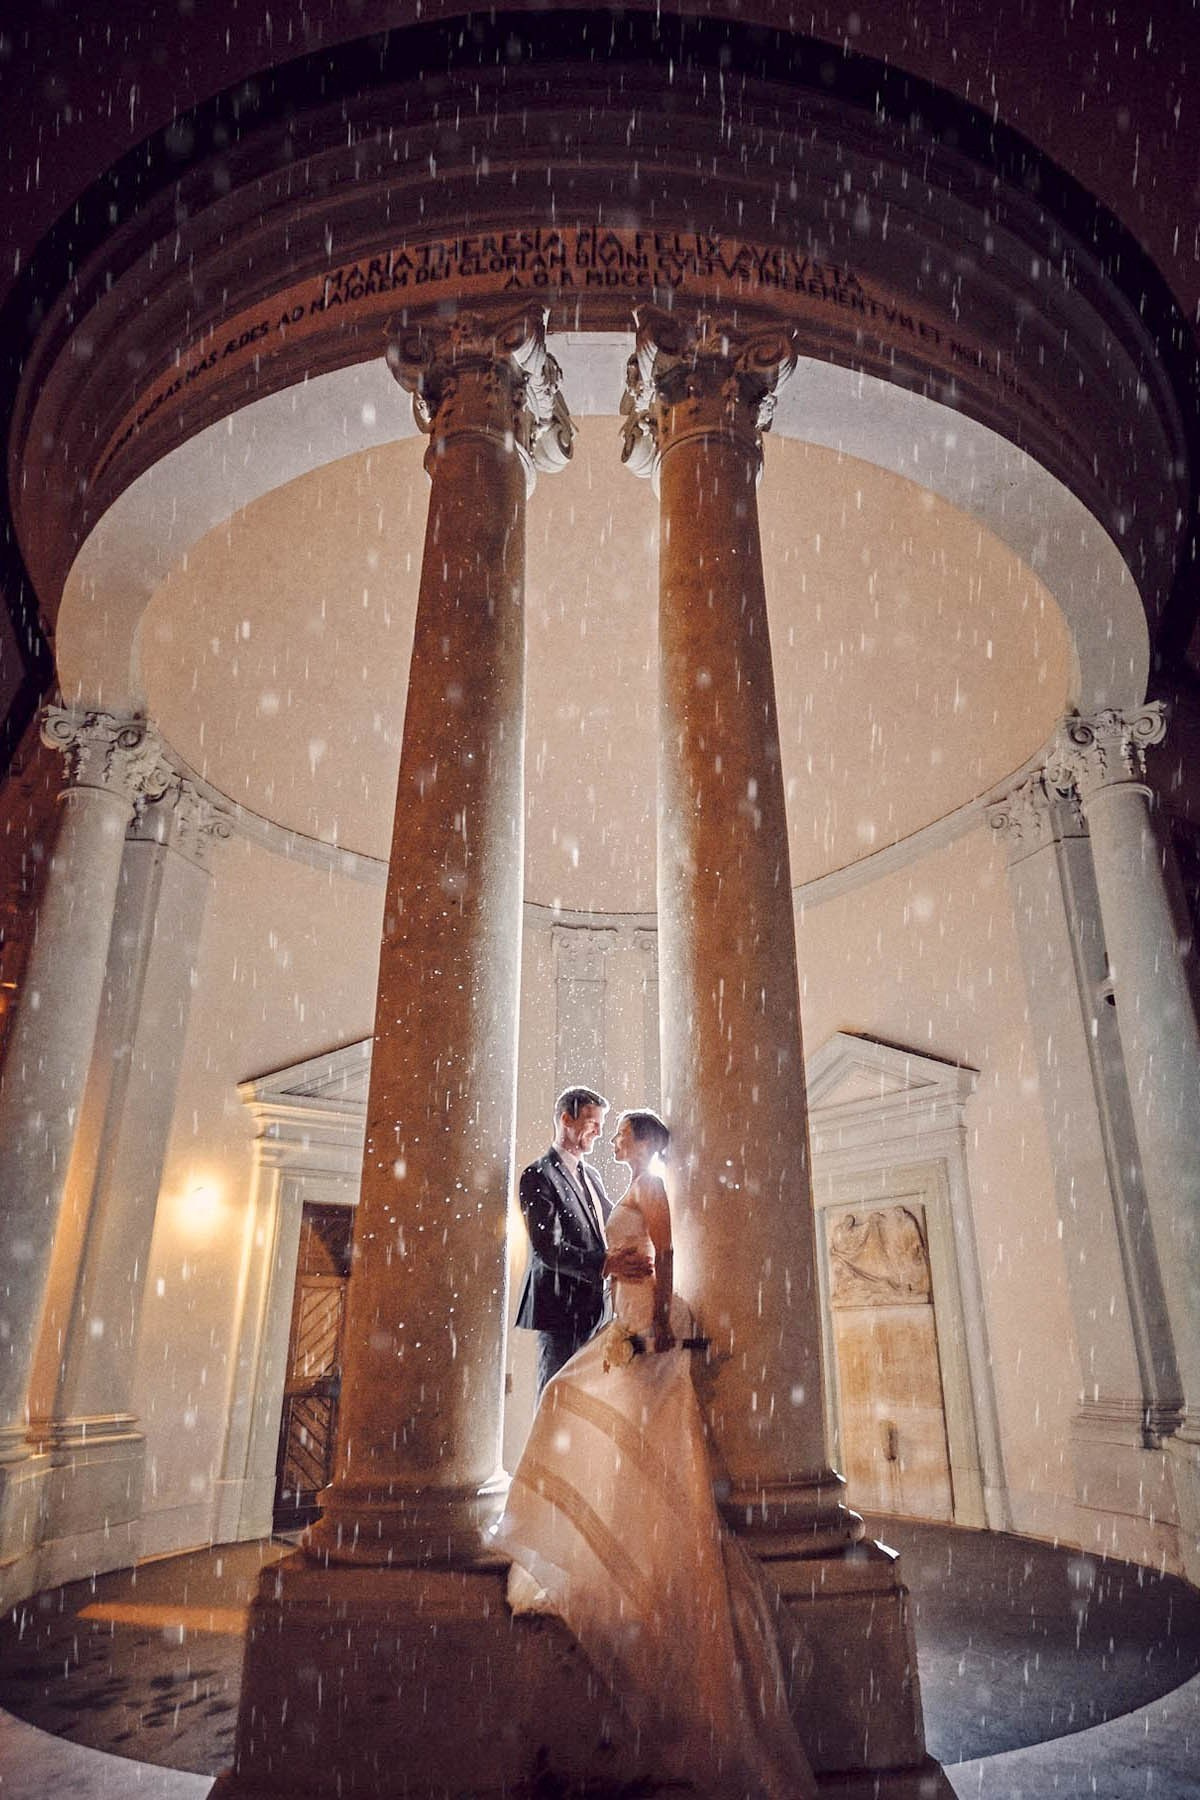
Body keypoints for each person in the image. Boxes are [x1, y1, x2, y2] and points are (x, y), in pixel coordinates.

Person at [496, 1109, 817, 1799]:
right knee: (586, 1416)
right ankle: (592, 1538)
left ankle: (622, 1551)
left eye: (620, 1133)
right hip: (623, 1316)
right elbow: (603, 1250)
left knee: (577, 1407)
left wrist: (664, 1319)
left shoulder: (653, 1186)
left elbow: (665, 1255)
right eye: (601, 1127)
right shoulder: (618, 1182)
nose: (611, 1139)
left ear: (644, 1141)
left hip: (649, 1322)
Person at [514, 1085, 652, 1394]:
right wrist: (606, 1262)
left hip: (595, 1309)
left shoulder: (593, 1175)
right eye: (592, 1123)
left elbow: (612, 1223)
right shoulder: (538, 1175)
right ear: (566, 1119)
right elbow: (548, 1249)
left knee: (587, 1403)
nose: (599, 1133)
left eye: (602, 1126)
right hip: (560, 1311)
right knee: (556, 1398)